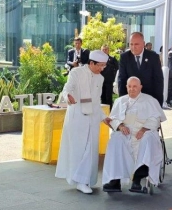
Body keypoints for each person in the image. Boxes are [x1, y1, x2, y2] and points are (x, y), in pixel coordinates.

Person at [55, 50, 111, 194]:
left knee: (90, 150)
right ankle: (79, 180)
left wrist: (104, 117)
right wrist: (68, 96)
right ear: (92, 63)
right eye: (100, 65)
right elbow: (67, 88)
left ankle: (84, 180)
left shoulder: (100, 78)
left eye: (104, 66)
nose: (102, 69)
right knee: (79, 150)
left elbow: (97, 101)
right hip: (77, 117)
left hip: (92, 118)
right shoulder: (76, 72)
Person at [102, 77, 166, 193]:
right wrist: (121, 126)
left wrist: (143, 129)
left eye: (135, 86)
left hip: (145, 131)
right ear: (126, 87)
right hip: (126, 132)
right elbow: (113, 118)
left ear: (140, 87)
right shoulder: (120, 101)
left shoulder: (150, 100)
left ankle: (137, 180)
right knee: (116, 139)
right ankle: (115, 181)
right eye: (129, 86)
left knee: (146, 139)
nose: (132, 89)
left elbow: (156, 119)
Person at [118, 32, 164, 106]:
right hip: (130, 100)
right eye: (131, 44)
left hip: (149, 99)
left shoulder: (153, 57)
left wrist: (158, 103)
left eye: (136, 44)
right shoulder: (124, 57)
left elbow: (158, 80)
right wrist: (123, 101)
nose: (133, 47)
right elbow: (122, 80)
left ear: (143, 44)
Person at [100, 44, 119, 110]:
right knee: (102, 96)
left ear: (108, 50)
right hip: (100, 81)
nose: (104, 51)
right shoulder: (98, 59)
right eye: (103, 50)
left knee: (109, 97)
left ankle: (110, 111)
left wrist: (114, 77)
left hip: (109, 81)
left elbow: (117, 69)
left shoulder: (112, 59)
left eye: (106, 49)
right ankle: (103, 110)